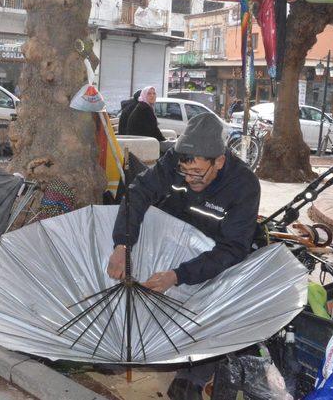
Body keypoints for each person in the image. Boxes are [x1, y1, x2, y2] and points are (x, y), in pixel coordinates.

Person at [107, 113, 261, 400]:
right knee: (145, 292)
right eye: (185, 172)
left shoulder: (244, 186)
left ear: (220, 161)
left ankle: (193, 375)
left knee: (215, 312)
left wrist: (179, 275)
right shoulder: (174, 163)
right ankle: (129, 348)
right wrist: (122, 244)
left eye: (198, 174)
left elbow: (232, 250)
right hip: (174, 243)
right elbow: (139, 192)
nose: (190, 180)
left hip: (215, 263)